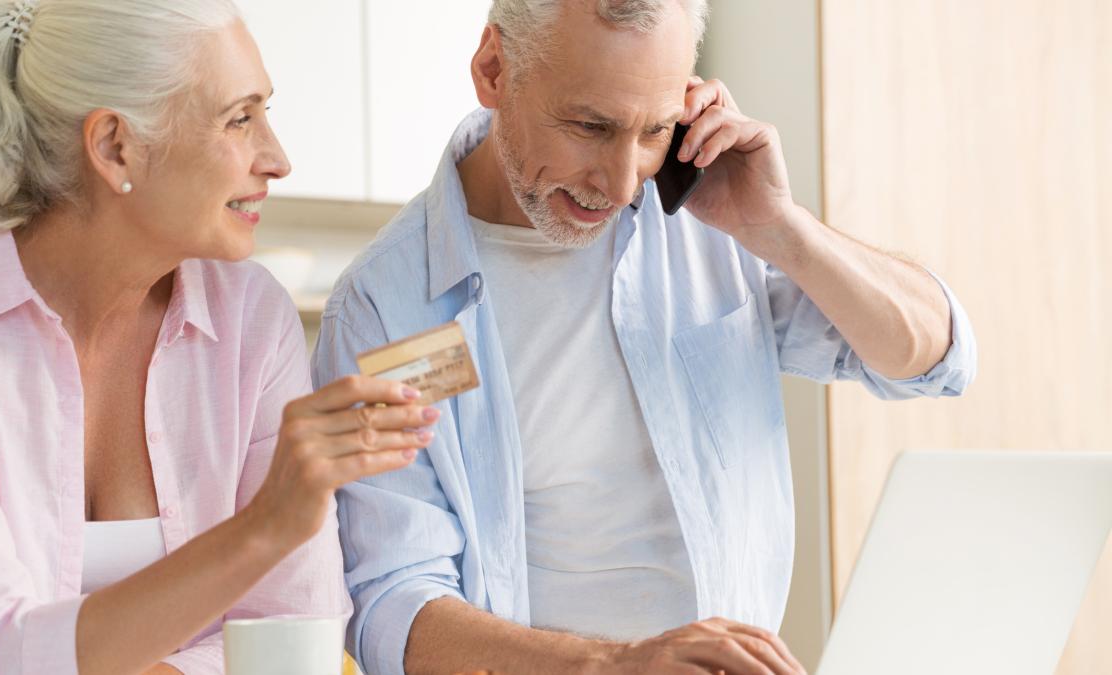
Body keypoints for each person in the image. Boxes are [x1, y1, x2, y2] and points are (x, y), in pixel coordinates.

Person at [311, 1, 977, 673]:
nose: (623, 180)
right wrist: (617, 664)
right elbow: (396, 609)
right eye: (590, 125)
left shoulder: (707, 220)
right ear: (493, 69)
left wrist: (781, 228)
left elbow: (934, 356)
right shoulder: (389, 310)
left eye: (654, 129)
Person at [0, 1, 437, 673]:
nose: (277, 159)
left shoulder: (249, 320)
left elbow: (289, 637)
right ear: (114, 146)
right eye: (239, 119)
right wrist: (262, 529)